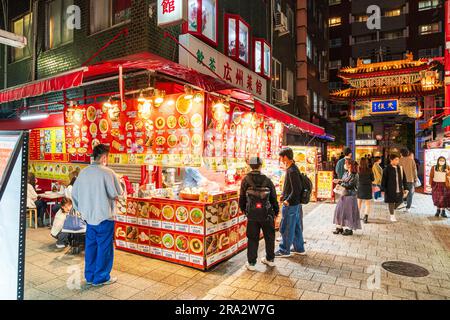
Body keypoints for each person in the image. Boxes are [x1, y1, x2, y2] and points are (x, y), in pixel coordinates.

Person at [72, 144, 123, 286]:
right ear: (104, 157)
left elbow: (74, 194)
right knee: (104, 248)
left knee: (91, 247)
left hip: (89, 219)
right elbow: (116, 193)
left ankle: (89, 276)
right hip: (104, 217)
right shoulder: (108, 172)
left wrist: (82, 210)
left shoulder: (83, 172)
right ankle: (101, 277)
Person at [239, 157, 279, 270]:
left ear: (250, 166)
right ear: (261, 165)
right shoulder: (267, 180)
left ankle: (251, 263)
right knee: (269, 237)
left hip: (252, 214)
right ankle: (270, 259)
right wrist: (276, 212)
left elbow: (241, 198)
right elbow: (273, 198)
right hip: (267, 213)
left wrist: (245, 211)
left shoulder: (245, 180)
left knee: (252, 238)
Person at [275, 148, 306, 257]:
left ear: (285, 157)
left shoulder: (292, 170)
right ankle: (299, 248)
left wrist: (288, 200)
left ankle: (284, 250)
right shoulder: (293, 168)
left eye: (281, 157)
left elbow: (296, 189)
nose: (281, 159)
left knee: (287, 227)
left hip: (291, 204)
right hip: (295, 204)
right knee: (296, 226)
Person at [333, 159, 361, 235]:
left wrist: (339, 182)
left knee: (349, 213)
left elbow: (350, 185)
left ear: (350, 165)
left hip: (350, 196)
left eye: (346, 163)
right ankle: (339, 227)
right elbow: (343, 181)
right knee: (339, 211)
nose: (344, 165)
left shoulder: (355, 175)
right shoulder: (346, 173)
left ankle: (349, 229)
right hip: (343, 194)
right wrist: (339, 182)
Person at [381, 154, 408, 222]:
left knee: (400, 200)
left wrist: (406, 188)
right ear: (391, 160)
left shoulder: (400, 168)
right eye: (396, 159)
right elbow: (383, 180)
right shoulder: (386, 169)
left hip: (399, 188)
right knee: (391, 202)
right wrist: (383, 189)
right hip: (390, 189)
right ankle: (392, 216)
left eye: (398, 159)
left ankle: (392, 209)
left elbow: (404, 179)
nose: (397, 161)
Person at [398, 149, 418, 213]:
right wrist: (415, 178)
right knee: (410, 194)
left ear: (401, 154)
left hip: (401, 179)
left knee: (401, 192)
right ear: (408, 153)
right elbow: (414, 170)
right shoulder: (411, 160)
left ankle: (401, 204)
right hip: (410, 179)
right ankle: (408, 207)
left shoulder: (399, 160)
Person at [357, 158, 374, 224]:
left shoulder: (358, 170)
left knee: (359, 203)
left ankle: (357, 216)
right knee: (367, 204)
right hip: (367, 188)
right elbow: (373, 179)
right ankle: (365, 217)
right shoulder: (370, 170)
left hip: (360, 187)